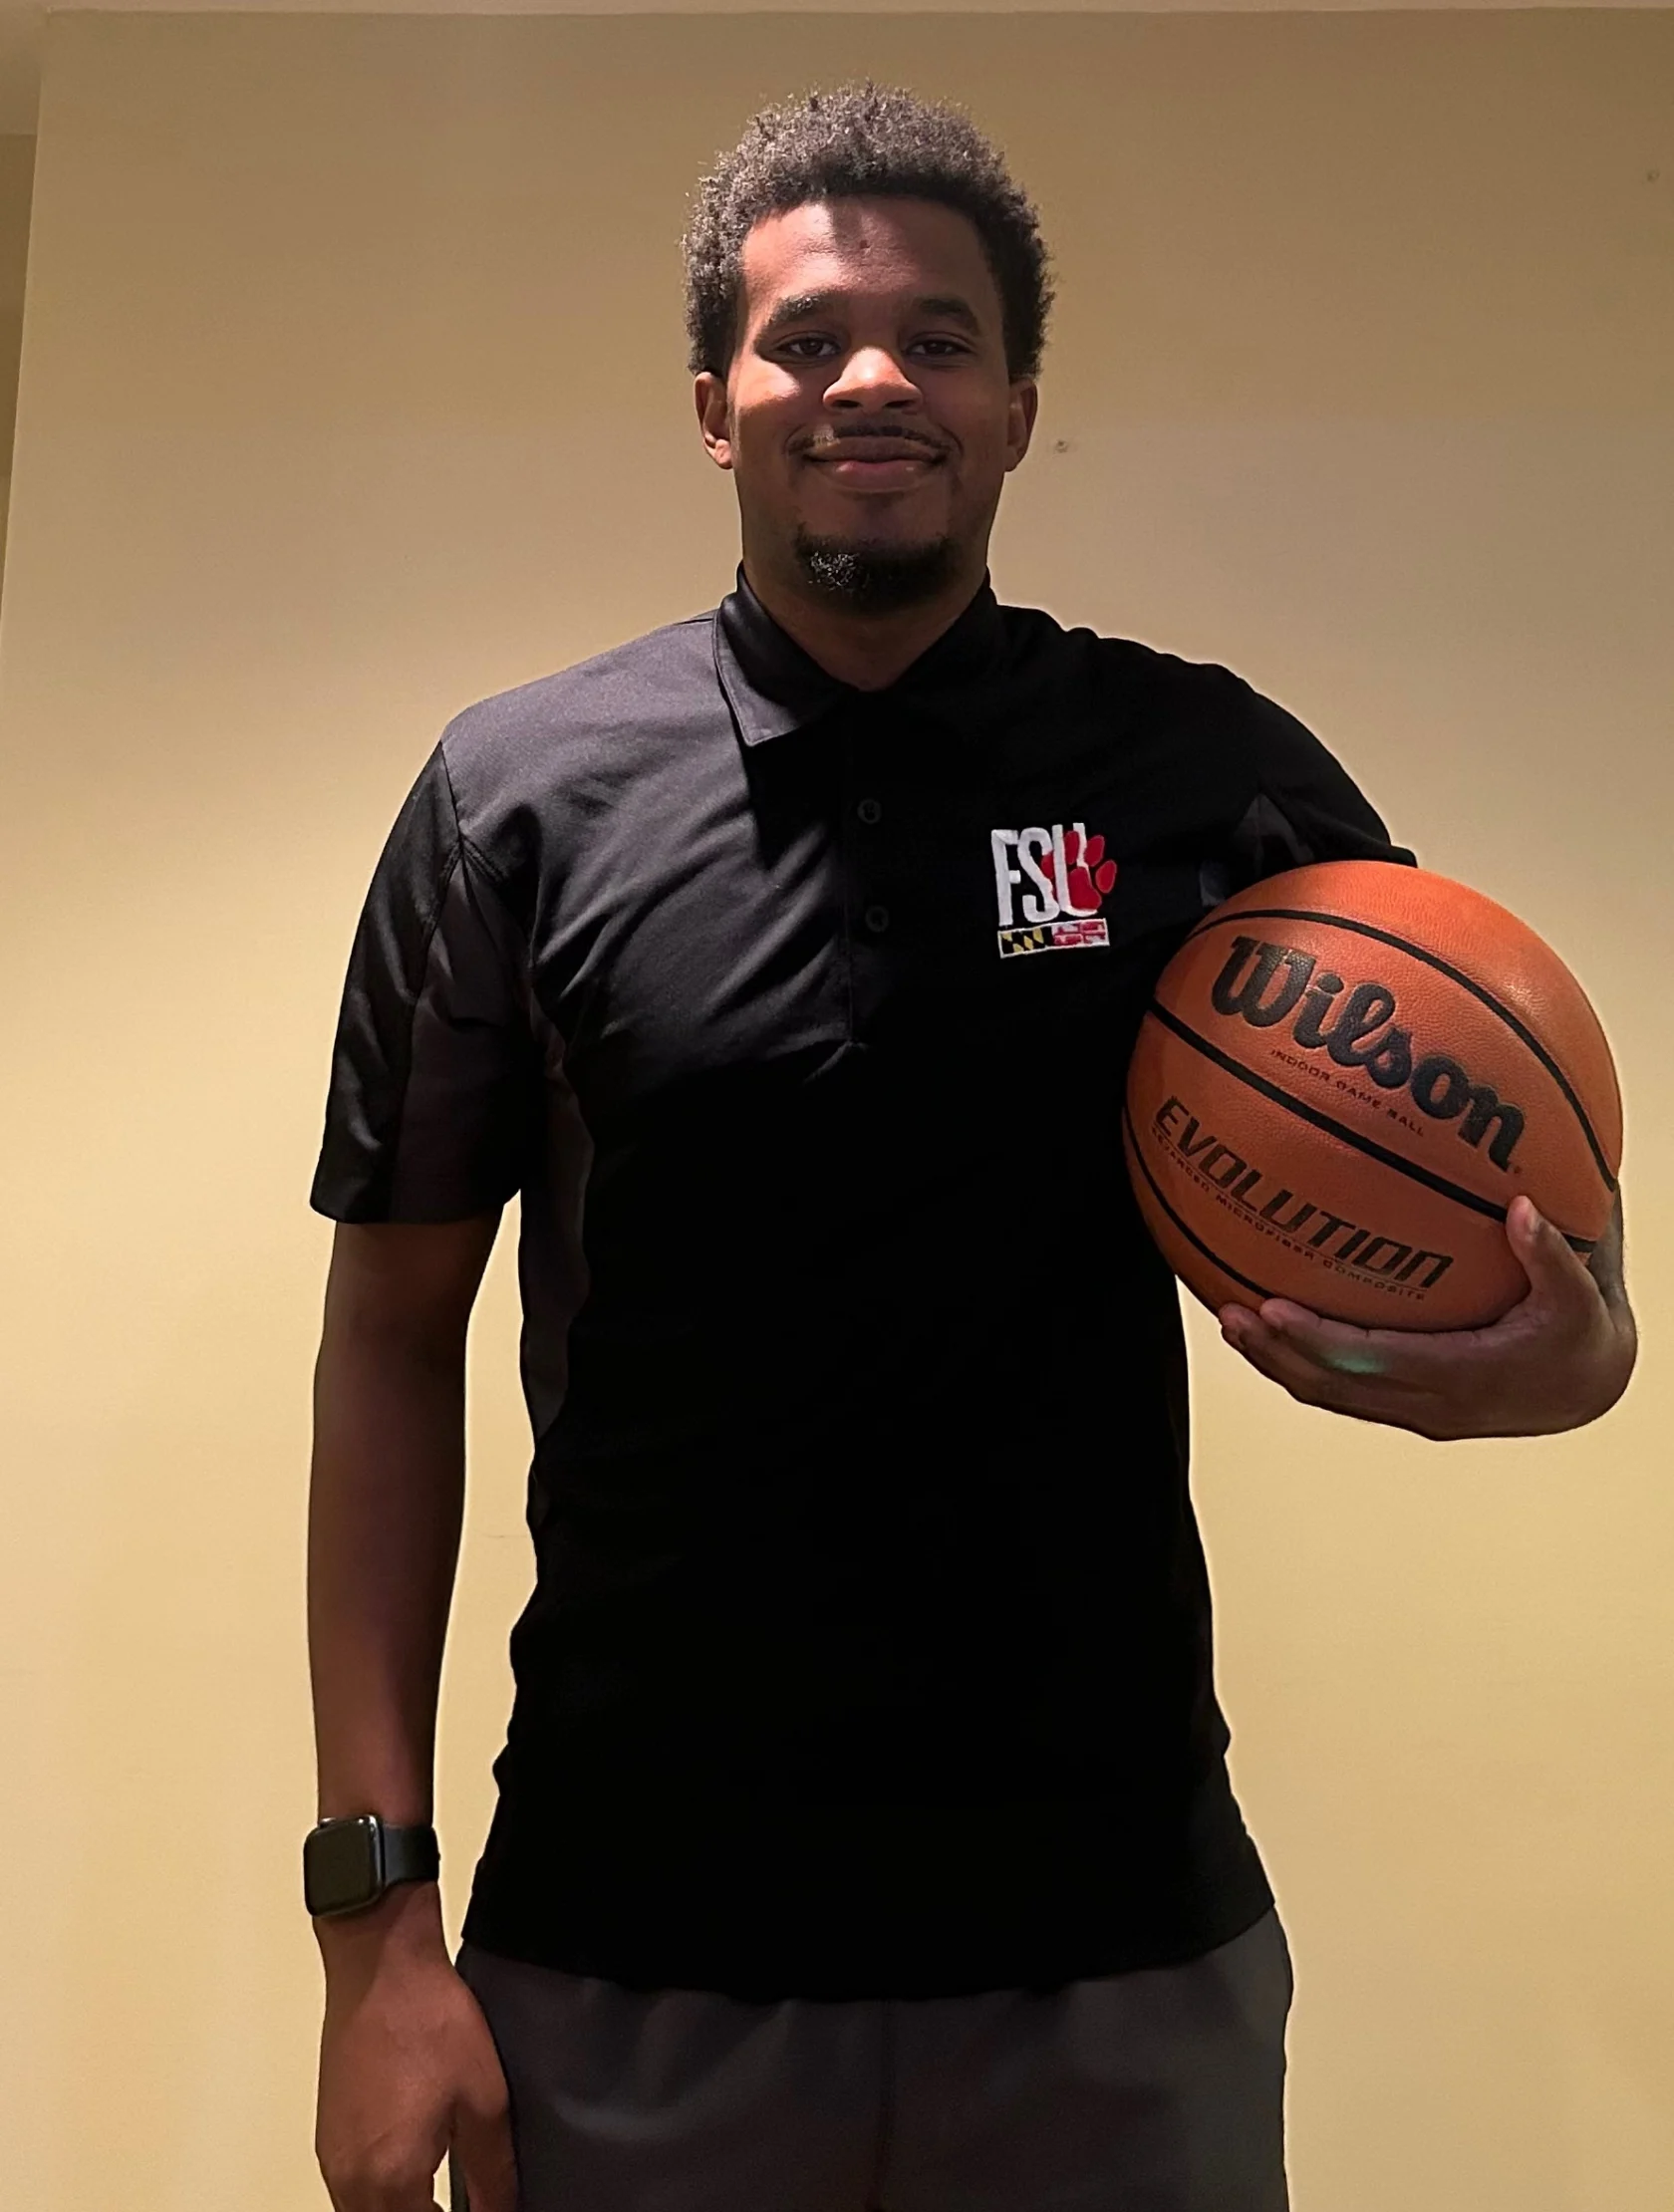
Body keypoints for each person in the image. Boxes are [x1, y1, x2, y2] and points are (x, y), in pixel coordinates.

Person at [304, 86, 1635, 2212]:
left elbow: (1540, 1271)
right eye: (810, 335)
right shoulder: (516, 801)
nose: (873, 380)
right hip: (635, 1941)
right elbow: (388, 1343)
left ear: (1018, 407)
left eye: (939, 339)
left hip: (1112, 1945)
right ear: (713, 405)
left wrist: (1563, 1366)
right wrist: (376, 1930)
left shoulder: (1200, 772)